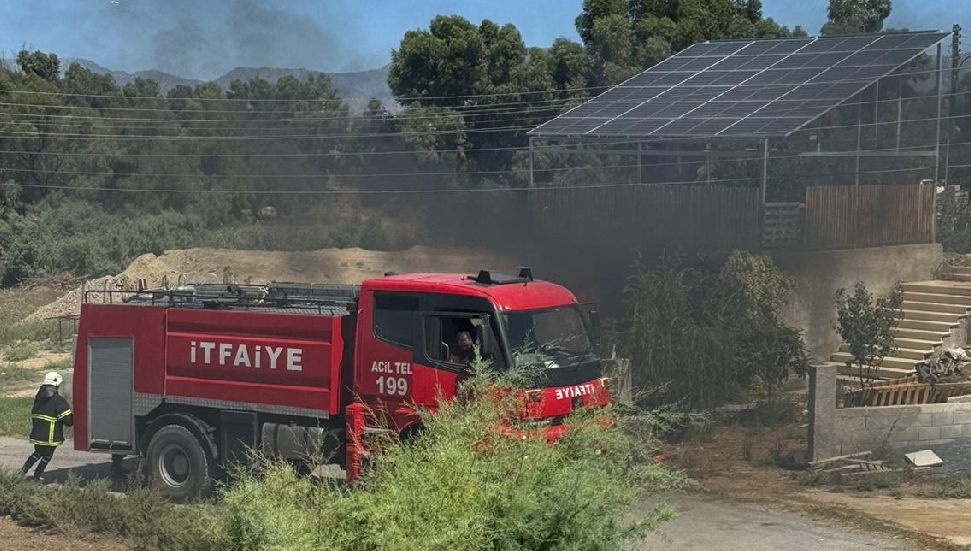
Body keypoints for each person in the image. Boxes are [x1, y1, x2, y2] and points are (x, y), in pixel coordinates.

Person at [20, 372, 73, 482]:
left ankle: (22, 471)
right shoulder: (59, 401)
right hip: (51, 436)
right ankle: (36, 476)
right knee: (47, 456)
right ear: (57, 385)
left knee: (37, 453)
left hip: (37, 434)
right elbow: (68, 421)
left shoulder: (38, 398)